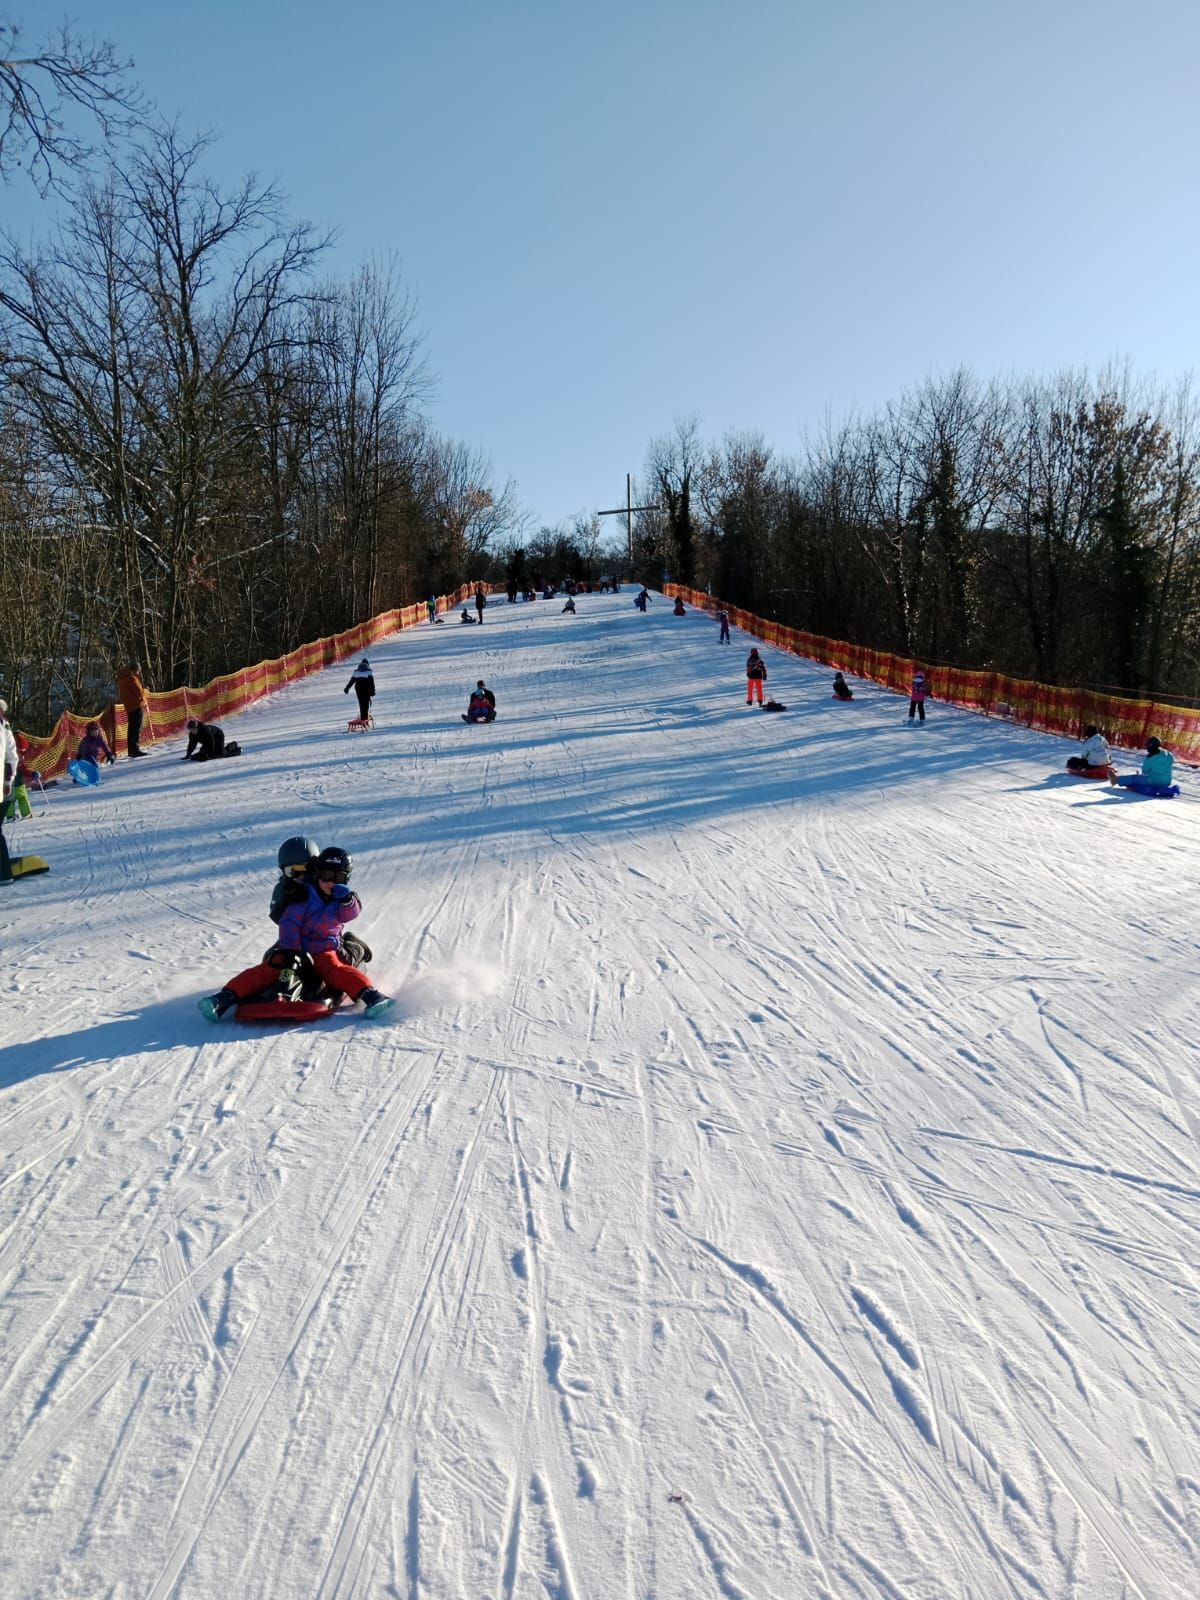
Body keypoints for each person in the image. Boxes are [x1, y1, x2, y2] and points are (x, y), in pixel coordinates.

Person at [200, 846, 394, 1021]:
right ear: (317, 873)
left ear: (347, 879)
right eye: (326, 875)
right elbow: (289, 922)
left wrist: (347, 899)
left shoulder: (342, 899)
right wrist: (291, 951)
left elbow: (350, 914)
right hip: (296, 948)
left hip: (324, 949)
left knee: (336, 970)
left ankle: (371, 996)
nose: (331, 882)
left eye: (338, 878)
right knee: (267, 969)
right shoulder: (304, 895)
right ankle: (223, 999)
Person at [1111, 736, 1175, 793]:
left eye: (1147, 746)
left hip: (1153, 781)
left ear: (1150, 746)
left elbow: (1145, 772)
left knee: (1134, 778)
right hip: (1167, 782)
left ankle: (1115, 780)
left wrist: (1139, 776)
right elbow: (1172, 761)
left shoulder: (1150, 758)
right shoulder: (1169, 754)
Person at [117, 661, 148, 756]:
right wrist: (145, 691)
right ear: (135, 670)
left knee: (131, 728)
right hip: (136, 705)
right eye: (138, 671)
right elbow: (138, 692)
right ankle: (135, 749)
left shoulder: (122, 677)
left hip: (129, 706)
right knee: (137, 727)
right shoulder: (131, 678)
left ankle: (131, 749)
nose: (139, 673)